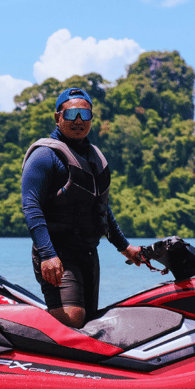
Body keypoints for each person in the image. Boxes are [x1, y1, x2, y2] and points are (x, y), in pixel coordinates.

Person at [21, 88, 142, 328]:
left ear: (91, 120)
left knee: (89, 323)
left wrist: (125, 247)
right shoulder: (45, 155)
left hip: (88, 253)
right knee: (72, 319)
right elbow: (31, 206)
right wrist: (47, 255)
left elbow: (102, 210)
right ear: (58, 117)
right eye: (72, 114)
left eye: (85, 115)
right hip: (57, 253)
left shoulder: (94, 157)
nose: (78, 121)